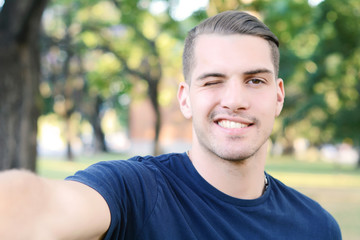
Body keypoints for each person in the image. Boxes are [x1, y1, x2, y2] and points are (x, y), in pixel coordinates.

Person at [0, 10, 341, 240]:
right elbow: (36, 205)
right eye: (212, 81)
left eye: (255, 81)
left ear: (278, 96)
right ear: (185, 98)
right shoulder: (136, 192)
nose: (235, 100)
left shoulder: (317, 227)